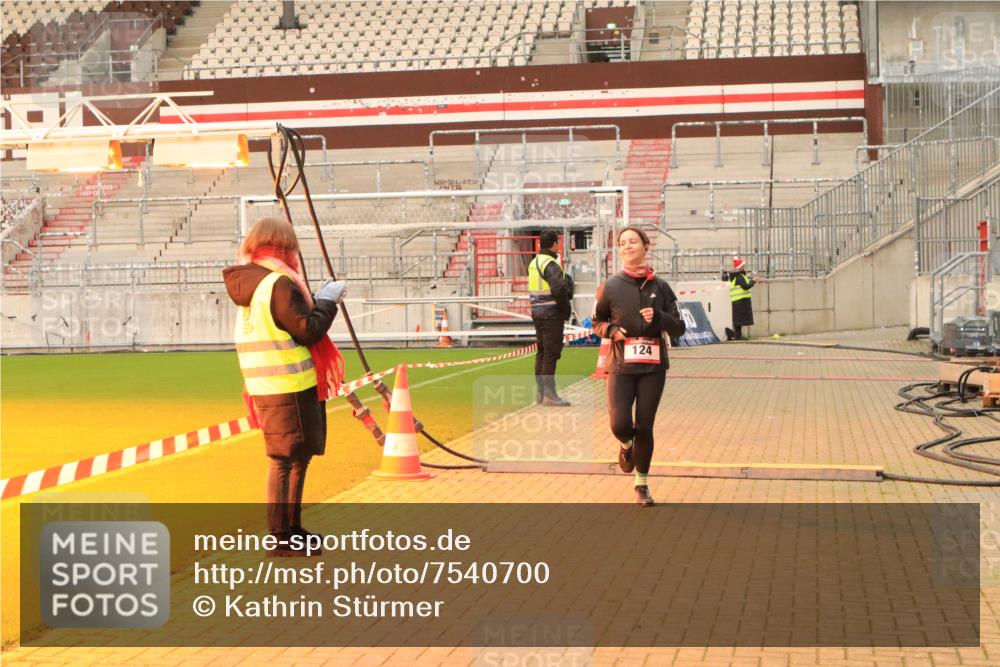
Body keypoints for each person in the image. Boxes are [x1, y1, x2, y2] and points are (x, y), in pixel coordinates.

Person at [223, 218, 347, 557]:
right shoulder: (278, 282)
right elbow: (307, 330)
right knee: (285, 461)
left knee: (294, 459)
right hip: (290, 384)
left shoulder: (253, 284)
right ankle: (281, 536)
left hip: (266, 385)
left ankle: (291, 530)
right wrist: (326, 302)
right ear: (284, 246)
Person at [593, 226, 686, 507]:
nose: (627, 246)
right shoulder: (610, 286)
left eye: (633, 241)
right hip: (621, 366)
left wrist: (658, 317)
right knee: (620, 424)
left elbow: (679, 327)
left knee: (645, 426)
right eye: (623, 243)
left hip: (653, 368)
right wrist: (611, 330)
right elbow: (597, 322)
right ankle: (625, 447)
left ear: (646, 246)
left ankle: (642, 484)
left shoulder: (661, 286)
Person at [527, 229, 573, 406]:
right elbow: (559, 290)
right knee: (551, 354)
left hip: (537, 313)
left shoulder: (534, 262)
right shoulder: (550, 263)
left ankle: (541, 394)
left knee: (542, 353)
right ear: (555, 243)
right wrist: (566, 310)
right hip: (551, 315)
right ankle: (549, 395)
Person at [725, 257, 761, 341]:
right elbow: (746, 286)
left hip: (739, 301)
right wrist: (754, 281)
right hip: (740, 301)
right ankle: (735, 336)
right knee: (739, 321)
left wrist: (753, 280)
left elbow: (746, 281)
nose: (744, 266)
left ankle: (737, 336)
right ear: (740, 267)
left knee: (739, 321)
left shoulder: (739, 276)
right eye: (743, 265)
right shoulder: (739, 277)